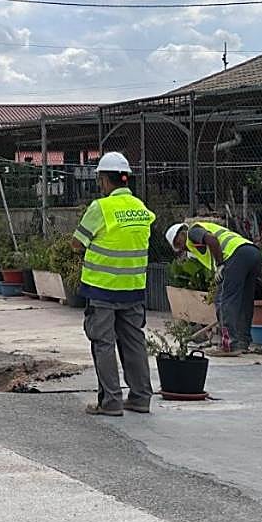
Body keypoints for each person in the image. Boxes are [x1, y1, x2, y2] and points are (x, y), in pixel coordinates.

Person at [70, 151, 155, 416]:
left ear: (104, 180)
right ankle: (141, 398)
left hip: (102, 288)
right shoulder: (142, 210)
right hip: (133, 288)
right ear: (126, 178)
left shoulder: (101, 208)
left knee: (103, 343)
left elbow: (76, 244)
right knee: (134, 343)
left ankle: (111, 401)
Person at [165, 221, 262, 357]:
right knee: (244, 301)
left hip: (235, 256)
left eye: (179, 244)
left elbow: (211, 239)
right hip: (252, 253)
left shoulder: (193, 231)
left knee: (223, 300)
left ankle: (229, 345)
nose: (182, 248)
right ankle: (242, 342)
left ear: (182, 233)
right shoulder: (196, 246)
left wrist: (221, 264)